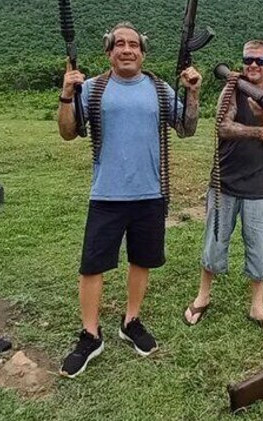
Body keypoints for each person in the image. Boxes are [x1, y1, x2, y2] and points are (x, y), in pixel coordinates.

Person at [57, 21, 202, 377]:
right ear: (108, 52)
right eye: (119, 44)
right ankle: (90, 335)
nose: (126, 49)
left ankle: (131, 321)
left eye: (133, 44)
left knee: (142, 261)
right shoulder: (92, 88)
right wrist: (65, 94)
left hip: (150, 193)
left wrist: (193, 92)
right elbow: (67, 132)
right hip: (106, 193)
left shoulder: (158, 87)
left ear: (142, 51)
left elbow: (186, 128)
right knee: (92, 266)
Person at [183, 40, 263, 335]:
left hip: (260, 185)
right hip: (224, 183)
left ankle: (258, 307)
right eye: (248, 60)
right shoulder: (231, 91)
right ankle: (203, 296)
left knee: (259, 248)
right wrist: (258, 131)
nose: (253, 65)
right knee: (215, 243)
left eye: (260, 61)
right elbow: (222, 128)